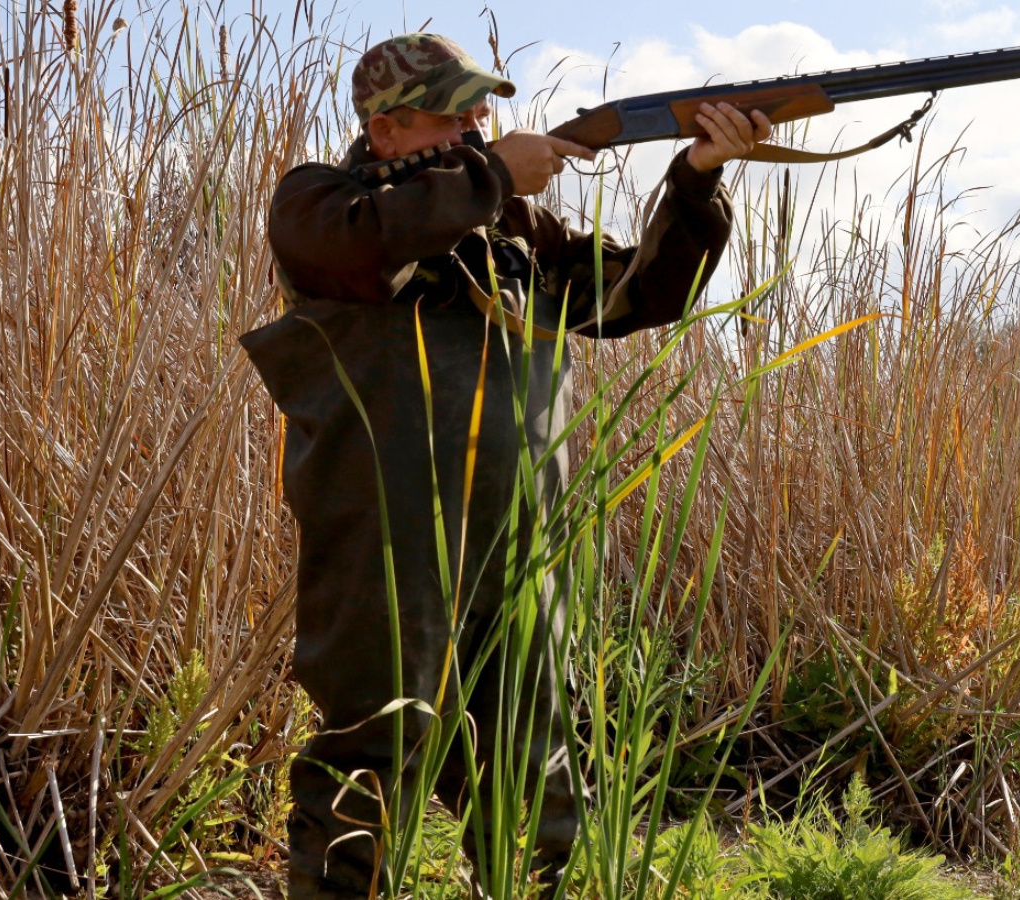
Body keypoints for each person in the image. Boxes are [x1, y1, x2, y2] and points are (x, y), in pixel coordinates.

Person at [238, 33, 772, 900]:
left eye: (481, 109)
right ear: (387, 131)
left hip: (522, 550)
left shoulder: (512, 228)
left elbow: (641, 293)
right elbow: (368, 243)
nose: (479, 124)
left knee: (538, 757)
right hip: (387, 549)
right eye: (456, 113)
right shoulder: (319, 205)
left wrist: (699, 179)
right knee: (369, 755)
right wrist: (493, 175)